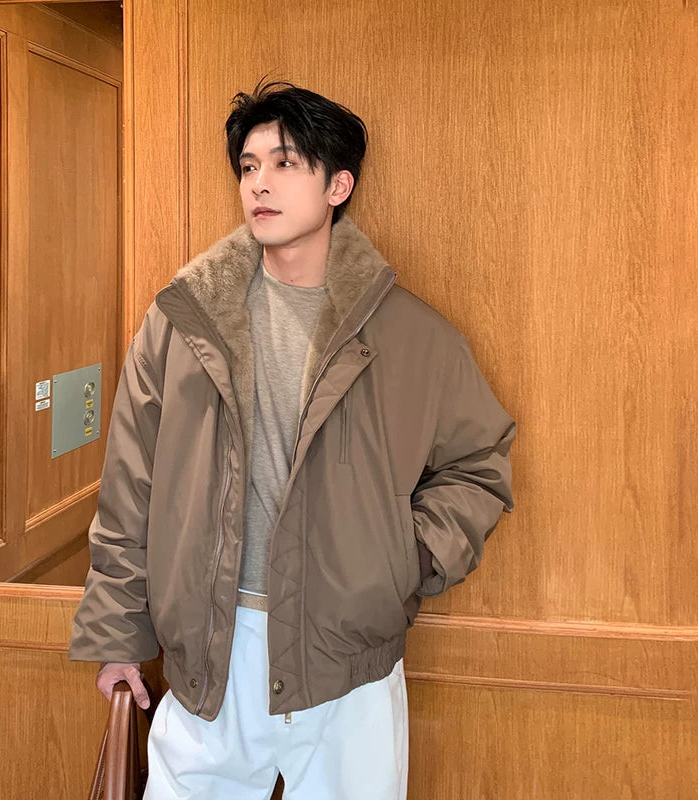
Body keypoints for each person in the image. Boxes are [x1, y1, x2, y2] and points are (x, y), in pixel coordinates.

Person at [69, 79, 516, 800]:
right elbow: (130, 488)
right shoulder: (182, 321)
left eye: (285, 163)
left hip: (348, 658)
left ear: (338, 186)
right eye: (248, 166)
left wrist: (399, 562)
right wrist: (117, 635)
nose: (259, 184)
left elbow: (479, 463)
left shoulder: (412, 336)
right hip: (210, 649)